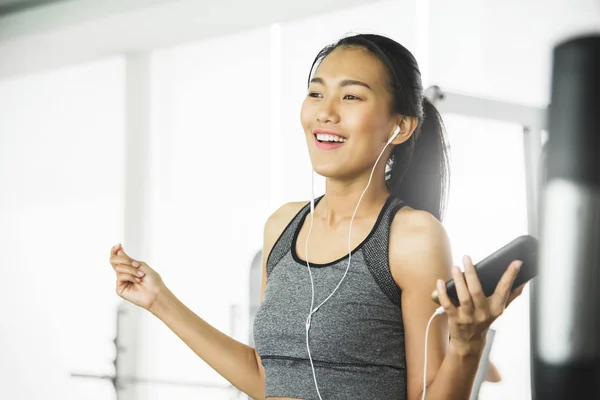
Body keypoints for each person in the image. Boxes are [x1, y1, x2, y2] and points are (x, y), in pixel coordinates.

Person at [109, 34, 525, 400]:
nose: (325, 112)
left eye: (351, 96)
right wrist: (159, 300)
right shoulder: (283, 226)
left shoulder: (411, 237)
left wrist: (467, 348)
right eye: (315, 93)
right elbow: (266, 377)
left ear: (399, 126)